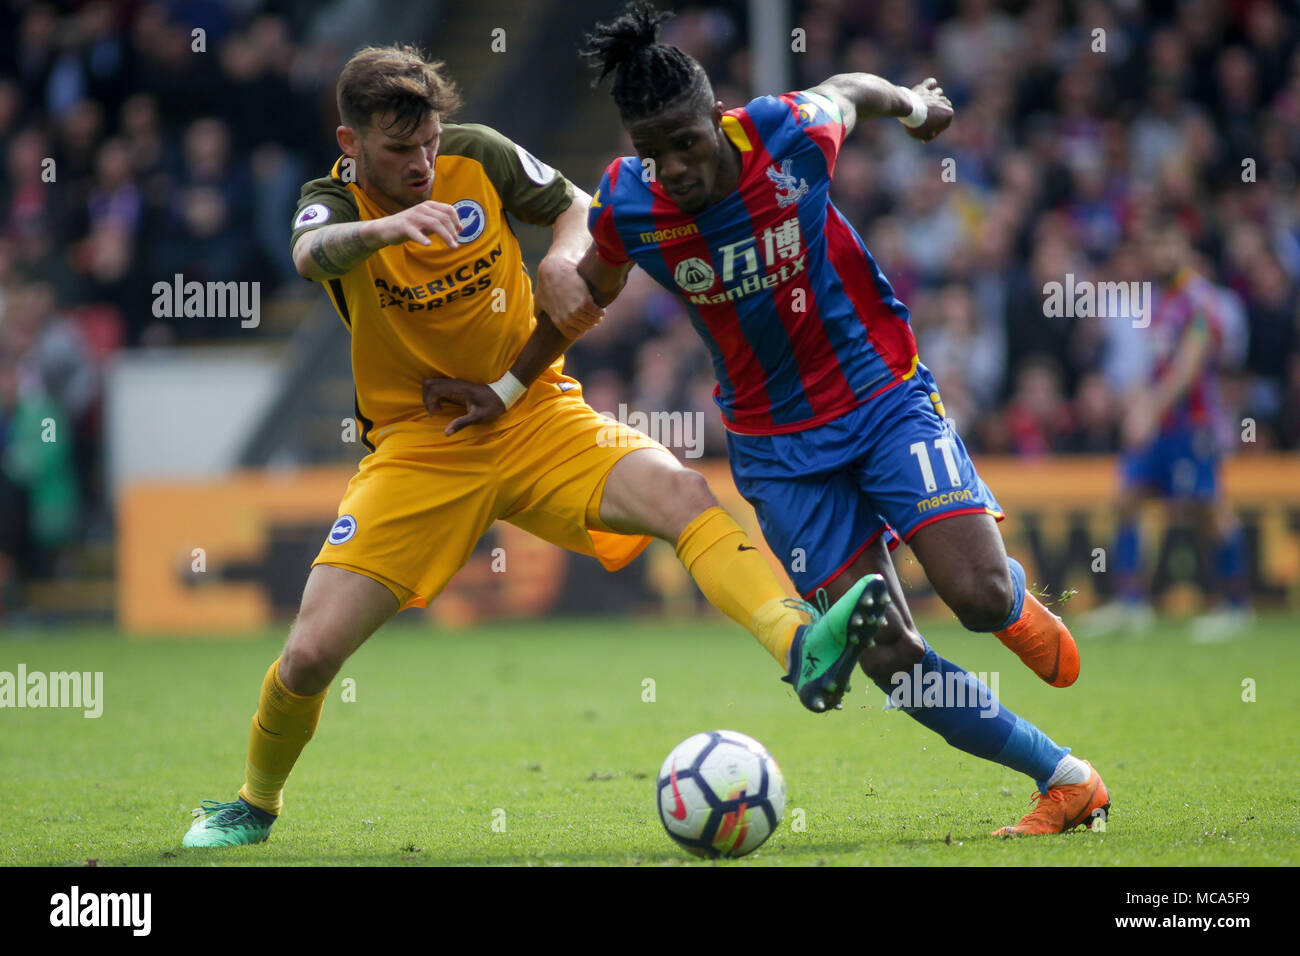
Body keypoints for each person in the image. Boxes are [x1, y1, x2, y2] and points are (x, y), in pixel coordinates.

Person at [182, 43, 883, 849]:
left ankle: (799, 647)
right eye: (397, 149)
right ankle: (253, 804)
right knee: (307, 657)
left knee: (682, 493)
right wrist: (388, 227)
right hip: (422, 447)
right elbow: (311, 254)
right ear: (351, 145)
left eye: (428, 143)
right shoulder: (327, 202)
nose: (421, 162)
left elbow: (580, 205)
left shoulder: (476, 152)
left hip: (535, 410)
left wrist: (557, 260)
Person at [494, 1, 1102, 838]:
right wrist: (501, 390)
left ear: (719, 118)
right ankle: (1065, 780)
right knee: (889, 658)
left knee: (980, 595)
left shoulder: (784, 133)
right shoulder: (627, 205)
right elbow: (579, 302)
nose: (672, 167)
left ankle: (1015, 608)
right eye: (652, 151)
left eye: (686, 141)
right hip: (779, 452)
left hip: (879, 395)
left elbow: (853, 88)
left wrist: (918, 108)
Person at [1087, 218, 1250, 641]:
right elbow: (1156, 364)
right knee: (1126, 499)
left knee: (1208, 510)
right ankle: (1130, 604)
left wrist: (1149, 410)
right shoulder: (1162, 301)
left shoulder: (1200, 300)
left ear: (1184, 249)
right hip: (1160, 426)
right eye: (1154, 248)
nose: (1160, 256)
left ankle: (1236, 607)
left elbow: (1187, 368)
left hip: (1191, 426)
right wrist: (1137, 403)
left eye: (1168, 247)